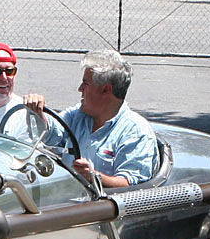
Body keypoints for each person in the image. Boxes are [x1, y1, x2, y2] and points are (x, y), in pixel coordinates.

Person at [63, 49, 157, 189]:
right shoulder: (78, 115)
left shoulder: (136, 131)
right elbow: (50, 131)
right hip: (62, 200)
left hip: (100, 207)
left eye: (86, 84)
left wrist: (92, 176)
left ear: (106, 90)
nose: (80, 89)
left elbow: (129, 184)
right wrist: (38, 113)